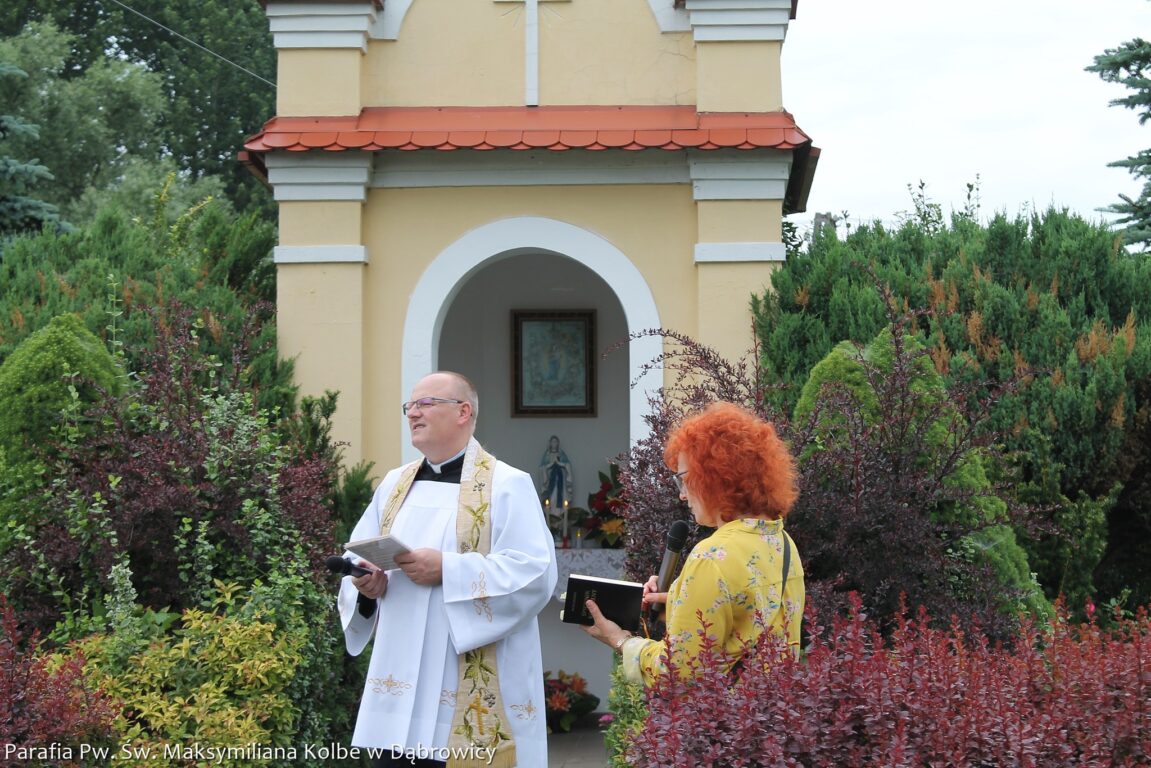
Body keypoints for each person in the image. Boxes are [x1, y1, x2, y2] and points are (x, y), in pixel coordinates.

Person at [338, 372, 558, 768]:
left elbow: (535, 574)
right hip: (398, 685)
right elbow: (359, 556)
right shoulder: (393, 485)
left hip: (464, 685)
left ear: (463, 411)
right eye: (409, 406)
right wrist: (367, 586)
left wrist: (448, 570)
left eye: (425, 404)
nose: (413, 413)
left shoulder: (507, 485)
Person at [582, 401, 804, 685]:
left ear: (716, 477)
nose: (682, 496)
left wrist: (621, 641)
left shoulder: (711, 557)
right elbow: (744, 623)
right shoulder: (782, 542)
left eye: (684, 480)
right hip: (772, 716)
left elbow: (676, 672)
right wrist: (677, 600)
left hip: (722, 724)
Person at [538, 434, 573, 509]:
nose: (554, 444)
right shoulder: (547, 455)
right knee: (552, 497)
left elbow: (567, 465)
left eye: (556, 442)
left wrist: (560, 464)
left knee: (561, 495)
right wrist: (550, 465)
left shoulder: (561, 454)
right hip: (551, 480)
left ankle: (561, 513)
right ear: (550, 443)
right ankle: (551, 512)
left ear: (558, 443)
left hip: (560, 479)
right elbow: (542, 468)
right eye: (553, 442)